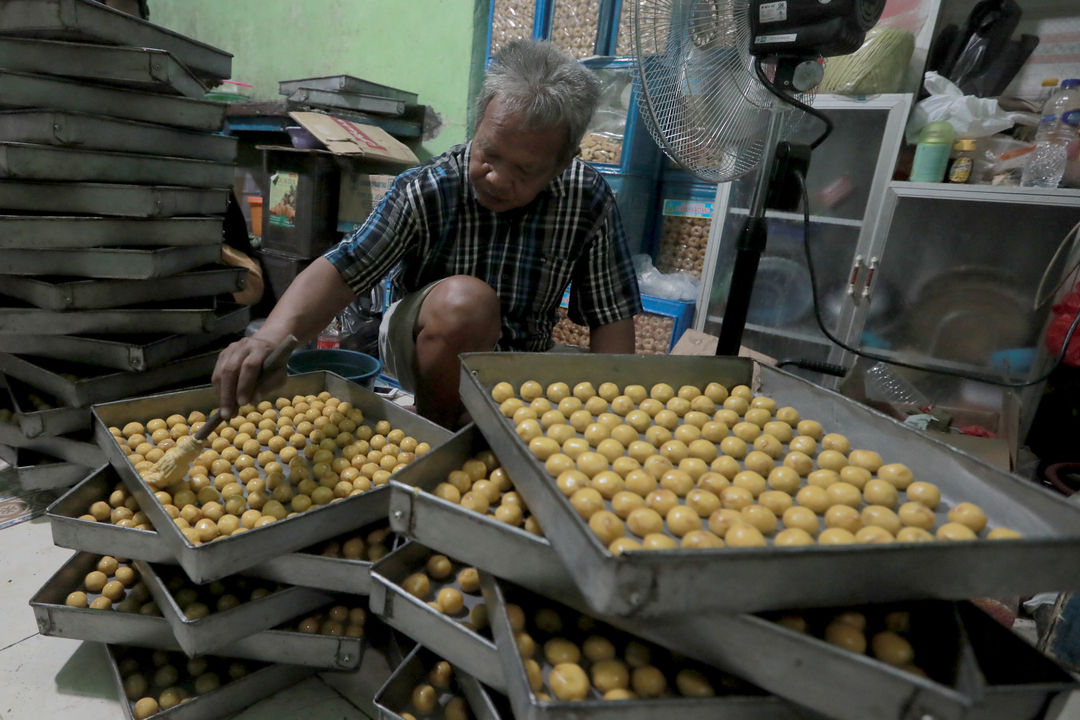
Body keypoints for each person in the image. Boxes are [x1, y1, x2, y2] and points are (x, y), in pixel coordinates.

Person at [213, 40, 642, 428]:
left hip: (520, 355)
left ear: (564, 164)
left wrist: (614, 414)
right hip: (422, 340)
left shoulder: (587, 198)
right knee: (466, 303)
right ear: (477, 128)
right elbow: (343, 271)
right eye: (489, 154)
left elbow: (611, 318)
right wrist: (270, 338)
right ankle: (438, 428)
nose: (496, 177)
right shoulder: (429, 187)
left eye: (526, 171)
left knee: (588, 403)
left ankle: (482, 416)